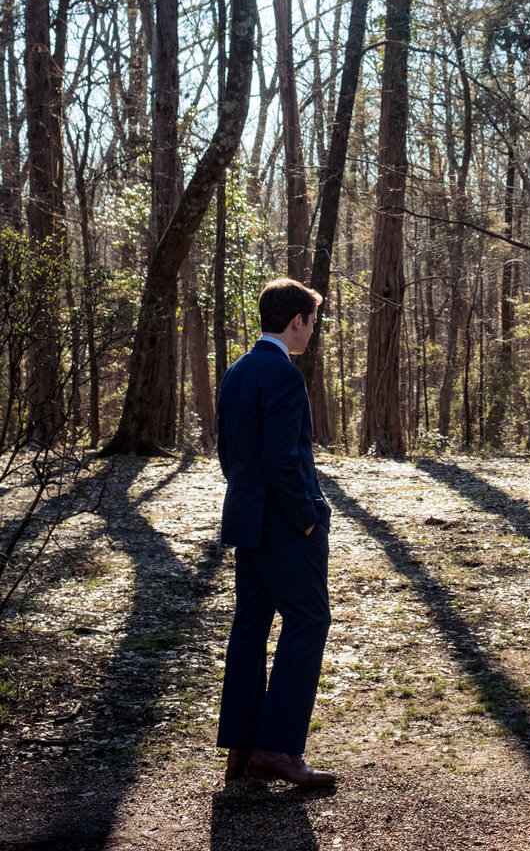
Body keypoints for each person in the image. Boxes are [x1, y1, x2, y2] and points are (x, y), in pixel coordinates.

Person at [215, 277, 335, 788]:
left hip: (246, 518)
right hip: (286, 524)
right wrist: (306, 514)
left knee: (250, 628)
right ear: (296, 321)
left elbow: (230, 455)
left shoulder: (237, 371)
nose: (313, 330)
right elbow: (284, 458)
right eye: (312, 321)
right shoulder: (284, 376)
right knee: (309, 621)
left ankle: (241, 748)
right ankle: (279, 749)